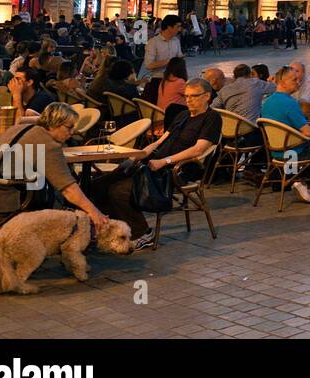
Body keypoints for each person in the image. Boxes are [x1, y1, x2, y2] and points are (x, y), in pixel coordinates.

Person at [90, 78, 222, 249]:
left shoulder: (212, 118)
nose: (188, 100)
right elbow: (160, 141)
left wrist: (164, 161)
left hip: (175, 171)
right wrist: (140, 154)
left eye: (194, 96)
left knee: (119, 191)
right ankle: (113, 229)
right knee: (99, 185)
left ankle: (143, 233)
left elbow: (198, 149)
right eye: (186, 96)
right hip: (152, 165)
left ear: (207, 96)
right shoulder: (182, 116)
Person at [0, 103, 111, 229]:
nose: (72, 132)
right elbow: (68, 189)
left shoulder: (19, 128)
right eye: (69, 127)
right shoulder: (48, 144)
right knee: (47, 190)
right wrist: (95, 213)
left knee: (41, 183)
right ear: (55, 124)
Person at [259, 65, 310, 203]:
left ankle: (298, 180)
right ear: (282, 82)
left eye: (298, 79)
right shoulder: (289, 103)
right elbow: (307, 131)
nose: (298, 83)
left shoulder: (267, 102)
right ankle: (304, 182)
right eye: (294, 80)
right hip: (293, 152)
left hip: (275, 152)